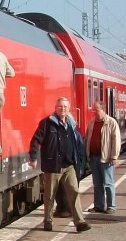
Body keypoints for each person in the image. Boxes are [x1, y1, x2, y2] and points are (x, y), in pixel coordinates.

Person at [29, 97, 91, 233]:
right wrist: (33, 157)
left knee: (74, 192)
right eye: (60, 106)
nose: (62, 109)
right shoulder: (47, 123)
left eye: (65, 107)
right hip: (53, 166)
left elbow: (78, 143)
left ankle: (80, 222)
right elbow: (36, 140)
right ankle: (48, 221)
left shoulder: (72, 124)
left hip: (69, 166)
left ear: (69, 109)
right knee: (50, 195)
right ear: (55, 108)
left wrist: (81, 159)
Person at [85, 101, 121, 213]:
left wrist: (114, 156)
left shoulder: (111, 122)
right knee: (97, 184)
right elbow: (87, 138)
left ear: (103, 110)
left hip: (106, 157)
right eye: (94, 110)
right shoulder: (92, 123)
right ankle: (98, 206)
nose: (94, 112)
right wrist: (87, 154)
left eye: (97, 110)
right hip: (94, 157)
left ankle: (111, 206)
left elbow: (116, 140)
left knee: (108, 183)